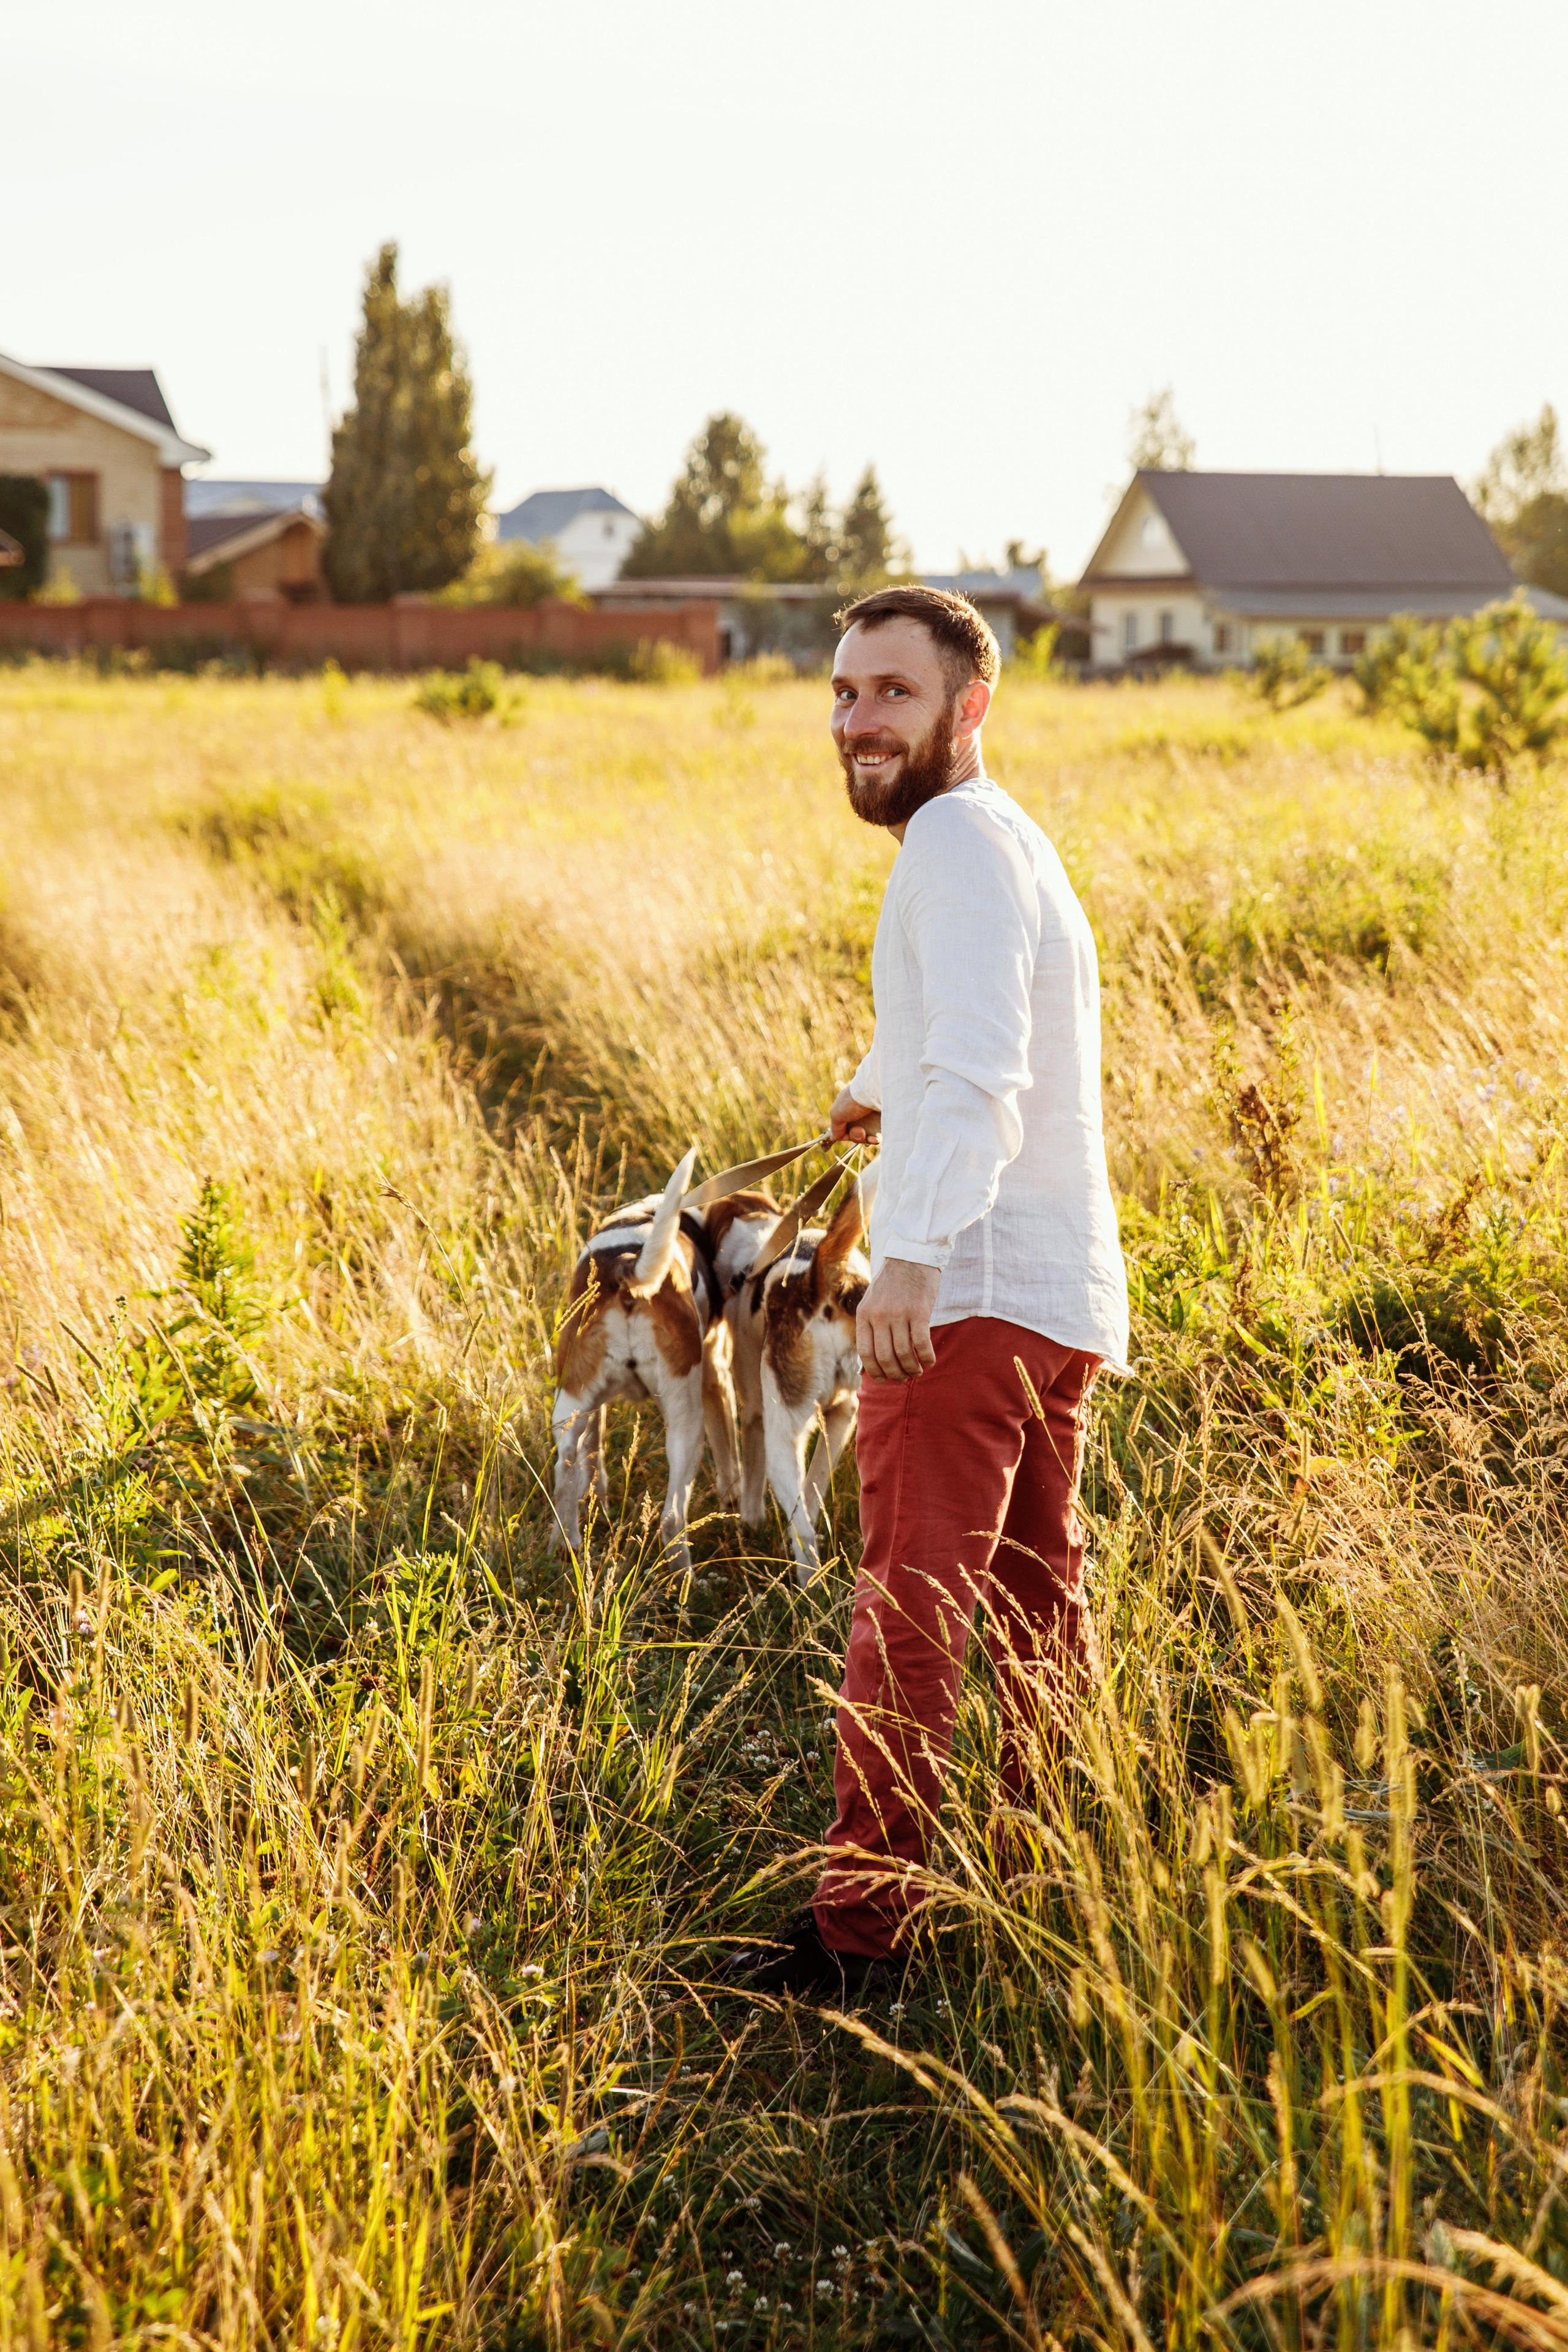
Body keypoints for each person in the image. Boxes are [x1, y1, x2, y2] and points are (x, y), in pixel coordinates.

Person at [720, 584, 1129, 2000]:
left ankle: (859, 1937)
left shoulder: (951, 843)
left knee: (908, 1609)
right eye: (840, 693)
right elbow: (959, 1036)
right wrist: (870, 1086)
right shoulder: (1002, 838)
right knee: (1032, 1597)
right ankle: (1042, 1877)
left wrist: (907, 1262)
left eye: (889, 692)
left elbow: (977, 1073)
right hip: (1052, 1293)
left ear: (970, 705)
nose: (854, 721)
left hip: (962, 1304)